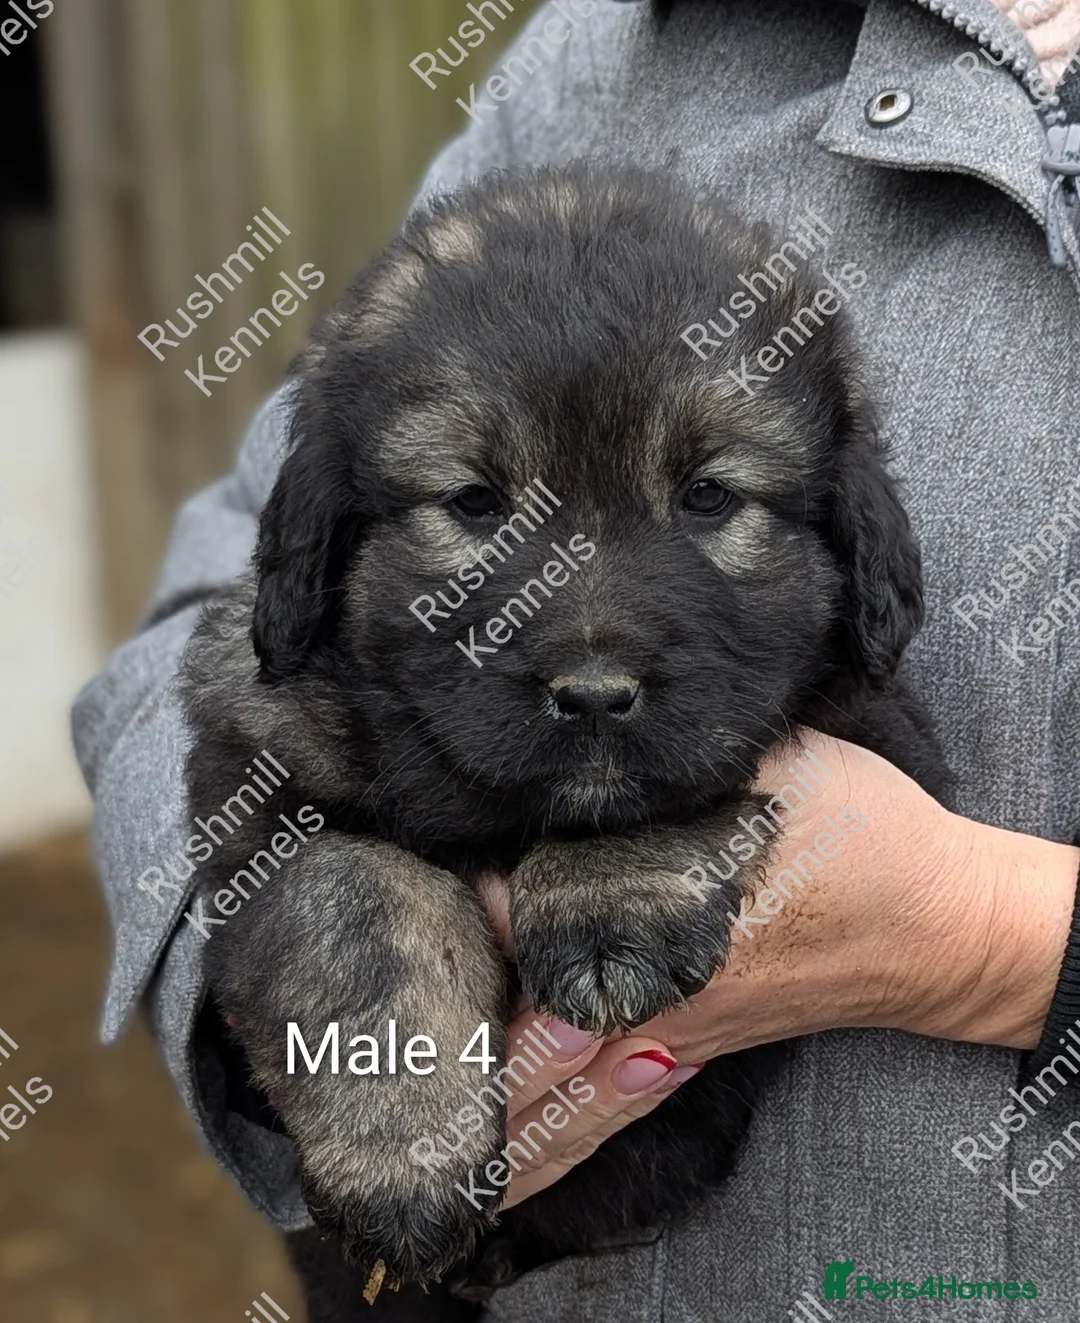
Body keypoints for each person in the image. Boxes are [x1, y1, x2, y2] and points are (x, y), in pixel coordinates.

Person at [72, 0, 1080, 1317]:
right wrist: (335, 998)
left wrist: (987, 936)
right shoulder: (616, 49)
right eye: (476, 507)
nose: (595, 658)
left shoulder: (837, 561)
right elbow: (216, 641)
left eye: (714, 500)